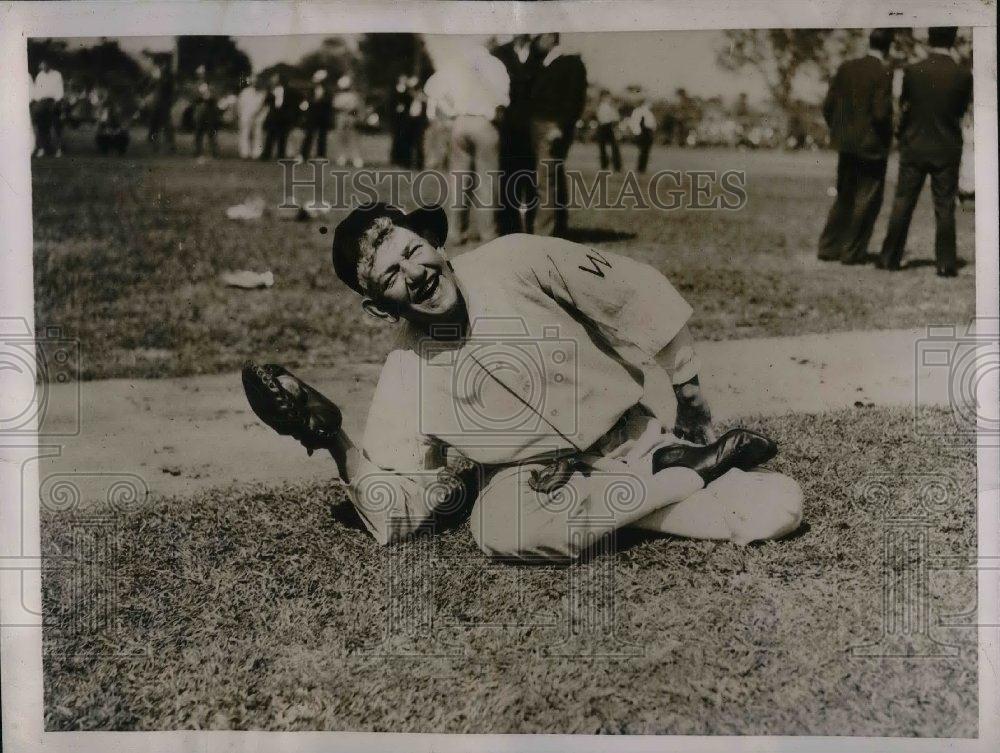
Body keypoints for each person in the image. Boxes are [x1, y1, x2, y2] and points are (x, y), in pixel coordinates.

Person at [242, 203, 804, 562]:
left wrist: (691, 398)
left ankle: (656, 483)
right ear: (376, 308)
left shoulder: (516, 259)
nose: (413, 275)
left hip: (631, 442)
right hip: (535, 481)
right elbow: (403, 510)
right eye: (389, 275)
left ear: (435, 244)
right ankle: (686, 477)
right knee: (497, 527)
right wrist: (332, 439)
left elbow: (637, 291)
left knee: (783, 505)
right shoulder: (406, 371)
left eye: (412, 251)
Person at [878, 27, 973, 277]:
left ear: (929, 39)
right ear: (953, 40)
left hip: (915, 145)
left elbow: (905, 106)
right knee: (944, 208)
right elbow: (961, 110)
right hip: (947, 147)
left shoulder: (912, 71)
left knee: (903, 202)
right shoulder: (963, 75)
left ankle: (889, 258)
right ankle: (945, 263)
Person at [816, 28, 895, 265]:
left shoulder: (846, 68)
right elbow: (881, 114)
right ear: (889, 47)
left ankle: (829, 247)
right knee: (866, 200)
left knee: (844, 197)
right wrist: (888, 135)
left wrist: (840, 131)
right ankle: (852, 252)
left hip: (846, 144)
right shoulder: (883, 72)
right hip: (871, 148)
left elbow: (828, 106)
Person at [423, 42, 510, 245]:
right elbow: (503, 99)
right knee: (487, 181)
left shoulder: (456, 64)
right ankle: (488, 233)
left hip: (460, 123)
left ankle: (455, 232)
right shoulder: (494, 64)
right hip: (484, 122)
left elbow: (432, 89)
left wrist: (450, 113)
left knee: (458, 180)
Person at [528, 34, 587, 237]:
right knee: (550, 179)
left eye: (538, 37)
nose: (534, 42)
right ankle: (555, 228)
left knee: (545, 181)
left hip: (552, 128)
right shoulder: (541, 61)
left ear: (551, 37)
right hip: (538, 126)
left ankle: (544, 233)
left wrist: (561, 126)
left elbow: (574, 99)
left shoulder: (571, 62)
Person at [493, 34, 540, 234]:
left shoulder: (540, 53)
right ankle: (507, 228)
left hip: (531, 128)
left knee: (530, 179)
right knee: (507, 178)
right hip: (506, 129)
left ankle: (530, 226)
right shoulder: (499, 54)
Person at [31, 59, 65, 157]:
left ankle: (58, 149)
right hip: (41, 102)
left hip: (53, 101)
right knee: (41, 126)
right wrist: (36, 102)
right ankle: (42, 148)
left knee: (56, 126)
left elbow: (59, 90)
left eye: (44, 65)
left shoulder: (57, 75)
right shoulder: (40, 76)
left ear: (49, 65)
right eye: (41, 66)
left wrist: (57, 102)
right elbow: (37, 91)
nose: (42, 67)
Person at [260, 73, 295, 161]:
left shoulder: (289, 91)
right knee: (270, 136)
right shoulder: (271, 90)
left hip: (284, 115)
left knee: (283, 136)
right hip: (273, 115)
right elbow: (266, 102)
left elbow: (294, 102)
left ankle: (281, 155)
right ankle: (266, 155)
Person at [299, 69, 333, 160]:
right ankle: (303, 155)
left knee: (322, 136)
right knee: (309, 135)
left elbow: (328, 102)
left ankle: (320, 156)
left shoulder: (328, 91)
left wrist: (317, 102)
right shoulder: (311, 90)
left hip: (323, 116)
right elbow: (307, 101)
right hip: (312, 116)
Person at [332, 75, 364, 168]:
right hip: (341, 116)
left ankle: (356, 158)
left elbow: (356, 109)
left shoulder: (354, 96)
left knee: (353, 137)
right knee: (341, 137)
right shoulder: (338, 96)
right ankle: (342, 157)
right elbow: (335, 107)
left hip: (350, 117)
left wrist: (353, 115)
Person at [146, 59, 176, 153]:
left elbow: (169, 89)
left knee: (166, 126)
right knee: (154, 126)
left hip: (163, 104)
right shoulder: (156, 78)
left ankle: (170, 146)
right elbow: (149, 86)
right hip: (157, 104)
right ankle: (154, 145)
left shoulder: (167, 78)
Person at [191, 66, 220, 160]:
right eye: (200, 74)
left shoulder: (211, 85)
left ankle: (214, 153)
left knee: (211, 133)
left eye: (203, 74)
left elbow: (215, 97)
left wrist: (210, 97)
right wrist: (203, 97)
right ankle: (198, 152)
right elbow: (194, 97)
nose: (202, 75)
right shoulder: (196, 85)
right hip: (200, 110)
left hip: (210, 111)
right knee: (198, 133)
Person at [236, 74, 264, 159]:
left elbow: (263, 106)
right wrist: (240, 115)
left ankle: (257, 153)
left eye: (256, 82)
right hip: (246, 116)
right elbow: (239, 105)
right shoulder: (244, 93)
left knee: (257, 134)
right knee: (245, 134)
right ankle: (245, 153)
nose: (255, 84)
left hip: (258, 117)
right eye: (253, 82)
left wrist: (259, 115)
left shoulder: (261, 94)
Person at [595, 90, 622, 172]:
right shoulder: (600, 106)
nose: (607, 99)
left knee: (614, 147)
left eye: (608, 97)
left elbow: (616, 118)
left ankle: (617, 166)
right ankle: (604, 165)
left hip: (609, 126)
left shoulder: (611, 107)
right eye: (605, 97)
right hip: (602, 126)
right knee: (602, 147)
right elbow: (599, 118)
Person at [630, 96, 657, 174]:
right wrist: (638, 133)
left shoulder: (649, 112)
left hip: (648, 132)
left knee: (645, 152)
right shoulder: (639, 111)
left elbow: (653, 124)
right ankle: (640, 168)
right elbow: (635, 123)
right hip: (643, 132)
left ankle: (642, 168)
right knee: (643, 151)